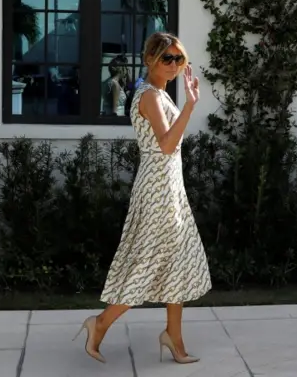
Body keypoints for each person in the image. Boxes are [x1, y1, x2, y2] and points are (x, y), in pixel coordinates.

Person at [73, 32, 212, 364]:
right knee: (147, 264)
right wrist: (190, 106)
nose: (175, 65)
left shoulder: (159, 94)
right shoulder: (149, 95)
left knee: (176, 261)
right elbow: (166, 145)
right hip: (158, 191)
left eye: (179, 59)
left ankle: (174, 339)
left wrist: (186, 105)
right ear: (150, 59)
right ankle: (100, 323)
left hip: (168, 187)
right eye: (167, 58)